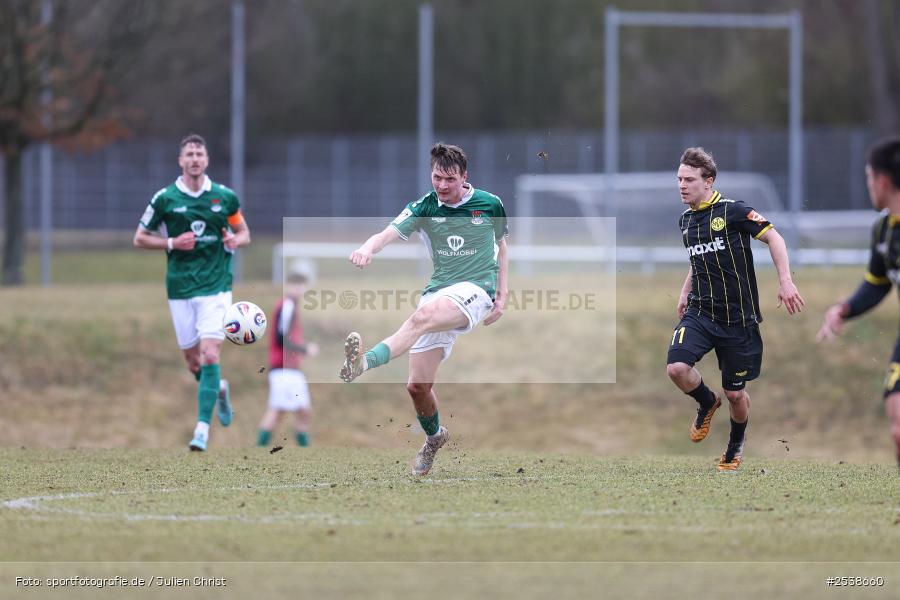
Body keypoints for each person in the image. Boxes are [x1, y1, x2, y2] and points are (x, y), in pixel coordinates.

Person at [339, 142, 508, 476]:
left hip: (477, 290)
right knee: (417, 387)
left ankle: (362, 364)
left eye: (449, 179)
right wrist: (367, 249)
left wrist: (502, 295)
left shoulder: (490, 204)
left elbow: (502, 247)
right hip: (438, 292)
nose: (442, 185)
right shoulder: (424, 206)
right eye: (436, 178)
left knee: (421, 318)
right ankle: (434, 438)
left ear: (464, 177)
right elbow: (386, 234)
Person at [666, 147, 804, 472]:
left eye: (689, 180)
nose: (682, 185)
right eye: (679, 179)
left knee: (735, 394)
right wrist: (685, 291)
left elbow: (776, 239)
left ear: (708, 181)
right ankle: (706, 402)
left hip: (738, 320)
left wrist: (785, 281)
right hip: (701, 313)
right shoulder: (686, 221)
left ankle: (735, 444)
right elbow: (698, 259)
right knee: (677, 368)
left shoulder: (734, 211)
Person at [133, 133, 251, 451]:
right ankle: (219, 387)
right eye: (190, 154)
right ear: (181, 161)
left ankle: (201, 431)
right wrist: (172, 242)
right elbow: (140, 237)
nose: (195, 159)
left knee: (210, 354)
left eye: (200, 154)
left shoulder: (224, 197)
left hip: (216, 287)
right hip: (180, 287)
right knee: (194, 363)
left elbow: (244, 232)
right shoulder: (165, 199)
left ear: (207, 160)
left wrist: (235, 241)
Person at [817, 135, 900, 468]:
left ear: (882, 181)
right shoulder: (883, 230)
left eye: (868, 177)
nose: (868, 185)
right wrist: (845, 308)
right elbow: (877, 283)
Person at [258, 259, 319, 448]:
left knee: (302, 410)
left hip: (290, 368)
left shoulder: (291, 306)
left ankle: (304, 449)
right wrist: (305, 349)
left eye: (302, 284)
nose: (300, 288)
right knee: (279, 411)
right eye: (296, 284)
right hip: (283, 368)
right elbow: (280, 337)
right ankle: (259, 449)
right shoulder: (287, 305)